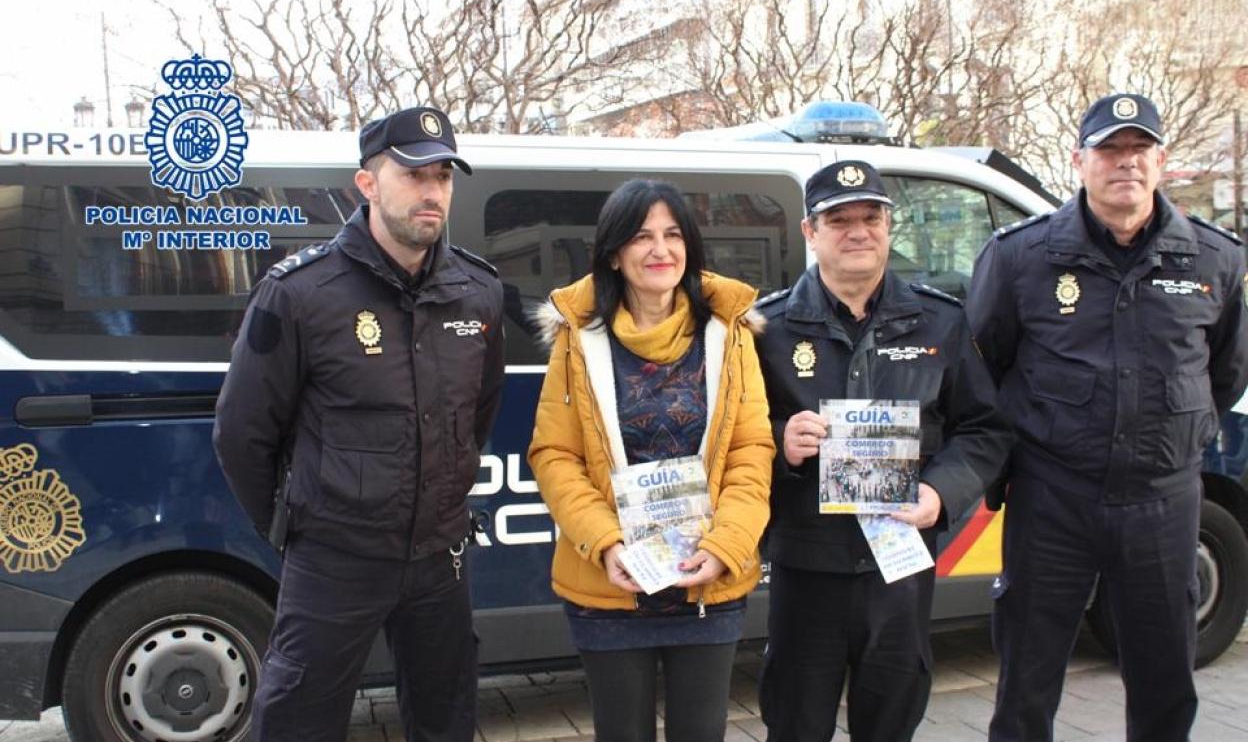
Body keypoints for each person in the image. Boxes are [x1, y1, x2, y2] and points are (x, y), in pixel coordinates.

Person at [214, 106, 505, 742]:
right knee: (297, 719)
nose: (433, 192)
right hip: (335, 557)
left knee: (447, 716)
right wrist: (294, 523)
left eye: (444, 177)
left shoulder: (477, 291)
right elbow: (242, 432)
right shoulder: (299, 293)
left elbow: (479, 410)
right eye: (413, 175)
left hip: (441, 556)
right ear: (367, 184)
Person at [968, 93, 1248, 742]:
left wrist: (1178, 441)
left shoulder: (1215, 259)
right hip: (1053, 497)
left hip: (1161, 502)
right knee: (1026, 682)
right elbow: (983, 369)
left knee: (1164, 683)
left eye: (1139, 149)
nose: (1126, 162)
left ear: (1162, 161)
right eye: (1110, 150)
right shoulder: (1019, 257)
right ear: (1079, 162)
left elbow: (1225, 372)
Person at [754, 161, 1011, 742]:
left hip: (899, 566)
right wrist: (779, 443)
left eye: (872, 217)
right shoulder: (766, 329)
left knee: (891, 720)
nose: (858, 231)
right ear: (809, 232)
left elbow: (985, 429)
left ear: (889, 227)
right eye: (838, 219)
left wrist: (939, 493)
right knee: (795, 722)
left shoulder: (941, 321)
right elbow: (732, 436)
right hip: (807, 564)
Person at [527, 179, 774, 742]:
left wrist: (726, 548)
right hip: (611, 581)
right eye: (641, 236)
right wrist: (607, 543)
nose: (660, 250)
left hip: (706, 581)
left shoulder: (728, 333)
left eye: (672, 234)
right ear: (614, 252)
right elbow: (554, 453)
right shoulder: (578, 337)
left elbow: (751, 450)